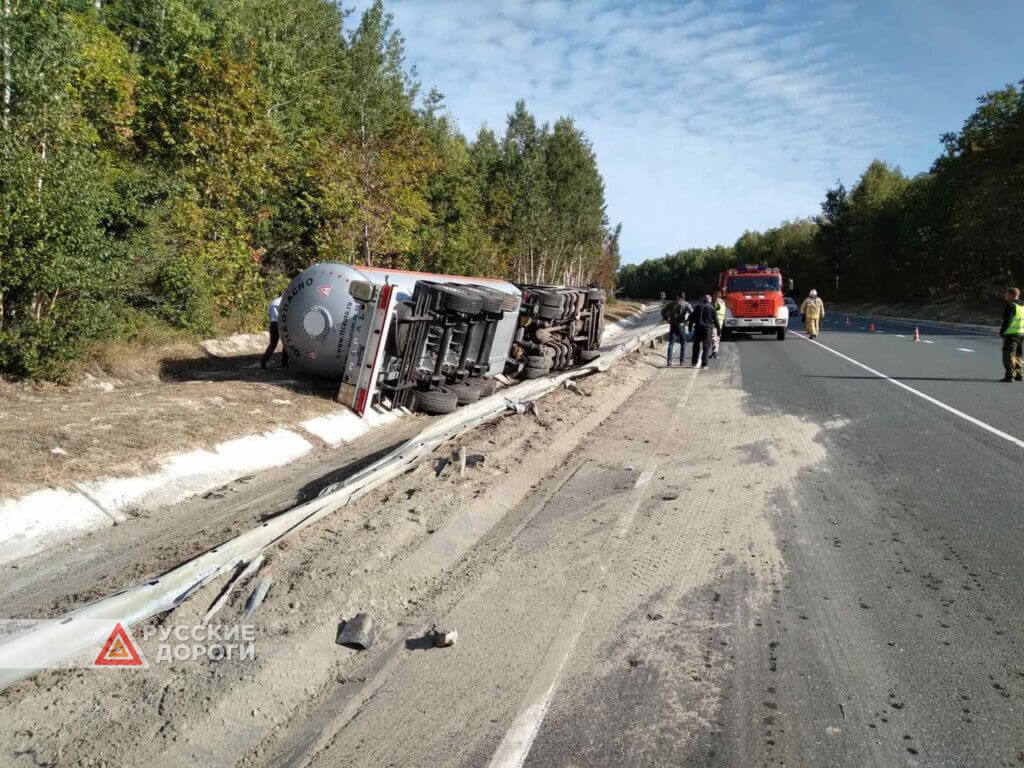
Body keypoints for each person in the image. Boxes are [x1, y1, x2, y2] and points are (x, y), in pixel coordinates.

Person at [661, 292, 693, 366]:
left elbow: (663, 311)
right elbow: (692, 313)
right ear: (684, 297)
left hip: (672, 324)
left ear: (677, 296)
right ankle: (682, 361)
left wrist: (667, 319)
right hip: (681, 325)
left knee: (671, 343)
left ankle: (669, 361)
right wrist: (687, 320)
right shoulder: (686, 304)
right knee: (683, 343)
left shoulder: (671, 303)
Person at [999, 286, 1023, 382]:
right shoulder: (1022, 305)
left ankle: (1009, 375)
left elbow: (1007, 320)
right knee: (1018, 354)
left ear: (1011, 295)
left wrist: (1002, 331)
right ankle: (1019, 374)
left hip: (1011, 334)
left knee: (1008, 354)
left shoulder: (1010, 305)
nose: (1005, 295)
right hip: (1021, 333)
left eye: (1006, 293)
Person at [688, 294, 720, 368]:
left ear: (703, 300)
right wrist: (718, 330)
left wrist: (690, 328)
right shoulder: (712, 308)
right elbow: (716, 321)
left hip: (698, 328)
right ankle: (704, 364)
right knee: (706, 347)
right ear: (710, 300)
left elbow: (691, 319)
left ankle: (694, 362)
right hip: (707, 329)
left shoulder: (698, 307)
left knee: (696, 345)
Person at [261, 295, 289, 369]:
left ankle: (264, 361)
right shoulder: (286, 301)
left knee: (272, 344)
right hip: (282, 323)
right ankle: (284, 362)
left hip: (273, 323)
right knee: (286, 343)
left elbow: (269, 313)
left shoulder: (273, 302)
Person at [711, 289, 726, 359]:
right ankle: (715, 352)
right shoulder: (723, 302)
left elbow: (713, 310)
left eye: (714, 294)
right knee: (717, 338)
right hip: (720, 323)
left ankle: (714, 352)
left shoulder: (716, 302)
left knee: (714, 338)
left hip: (714, 322)